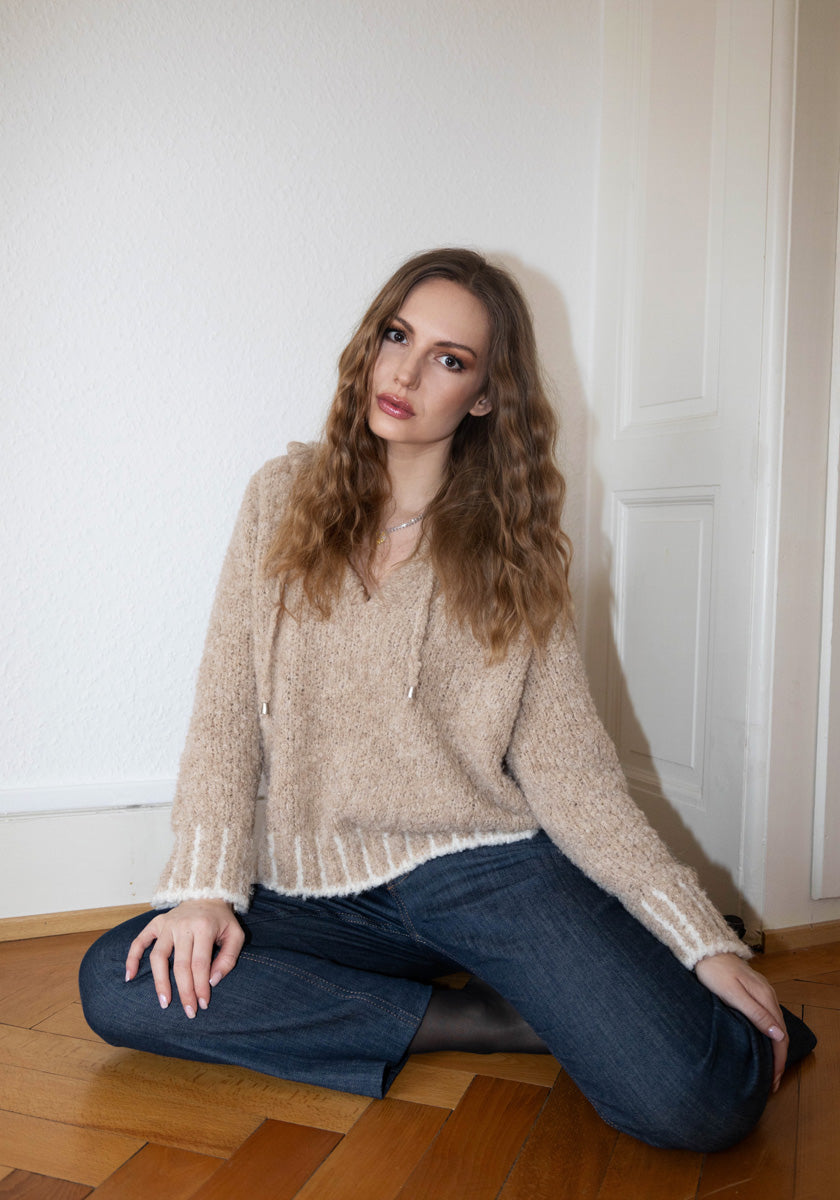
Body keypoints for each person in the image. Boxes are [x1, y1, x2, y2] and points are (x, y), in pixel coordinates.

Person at [79, 248, 815, 1152]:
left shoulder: (516, 553)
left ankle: (637, 968)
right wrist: (203, 890)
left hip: (482, 869)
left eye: (450, 359)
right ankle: (484, 1022)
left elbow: (573, 776)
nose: (406, 371)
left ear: (484, 396)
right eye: (398, 336)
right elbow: (226, 708)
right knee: (118, 979)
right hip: (316, 884)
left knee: (694, 1104)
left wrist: (700, 938)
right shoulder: (280, 499)